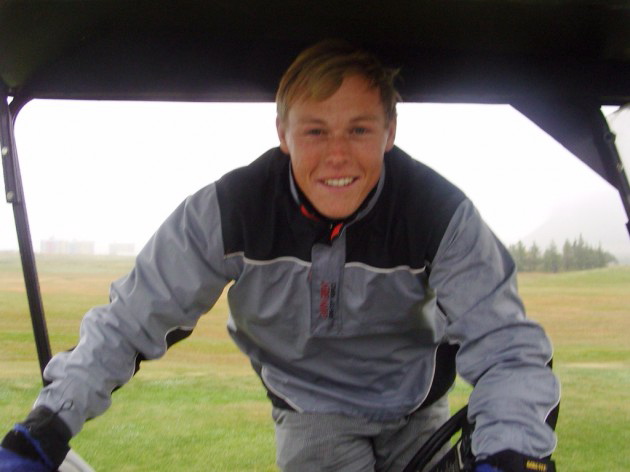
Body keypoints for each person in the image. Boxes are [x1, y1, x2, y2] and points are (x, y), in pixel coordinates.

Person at [0, 40, 559, 472]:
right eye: (315, 131)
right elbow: (129, 321)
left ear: (389, 132)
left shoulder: (440, 214)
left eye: (359, 129)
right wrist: (45, 427)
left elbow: (508, 348)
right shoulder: (228, 212)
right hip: (311, 412)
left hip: (417, 408)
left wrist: (511, 453)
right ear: (283, 134)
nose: (337, 155)